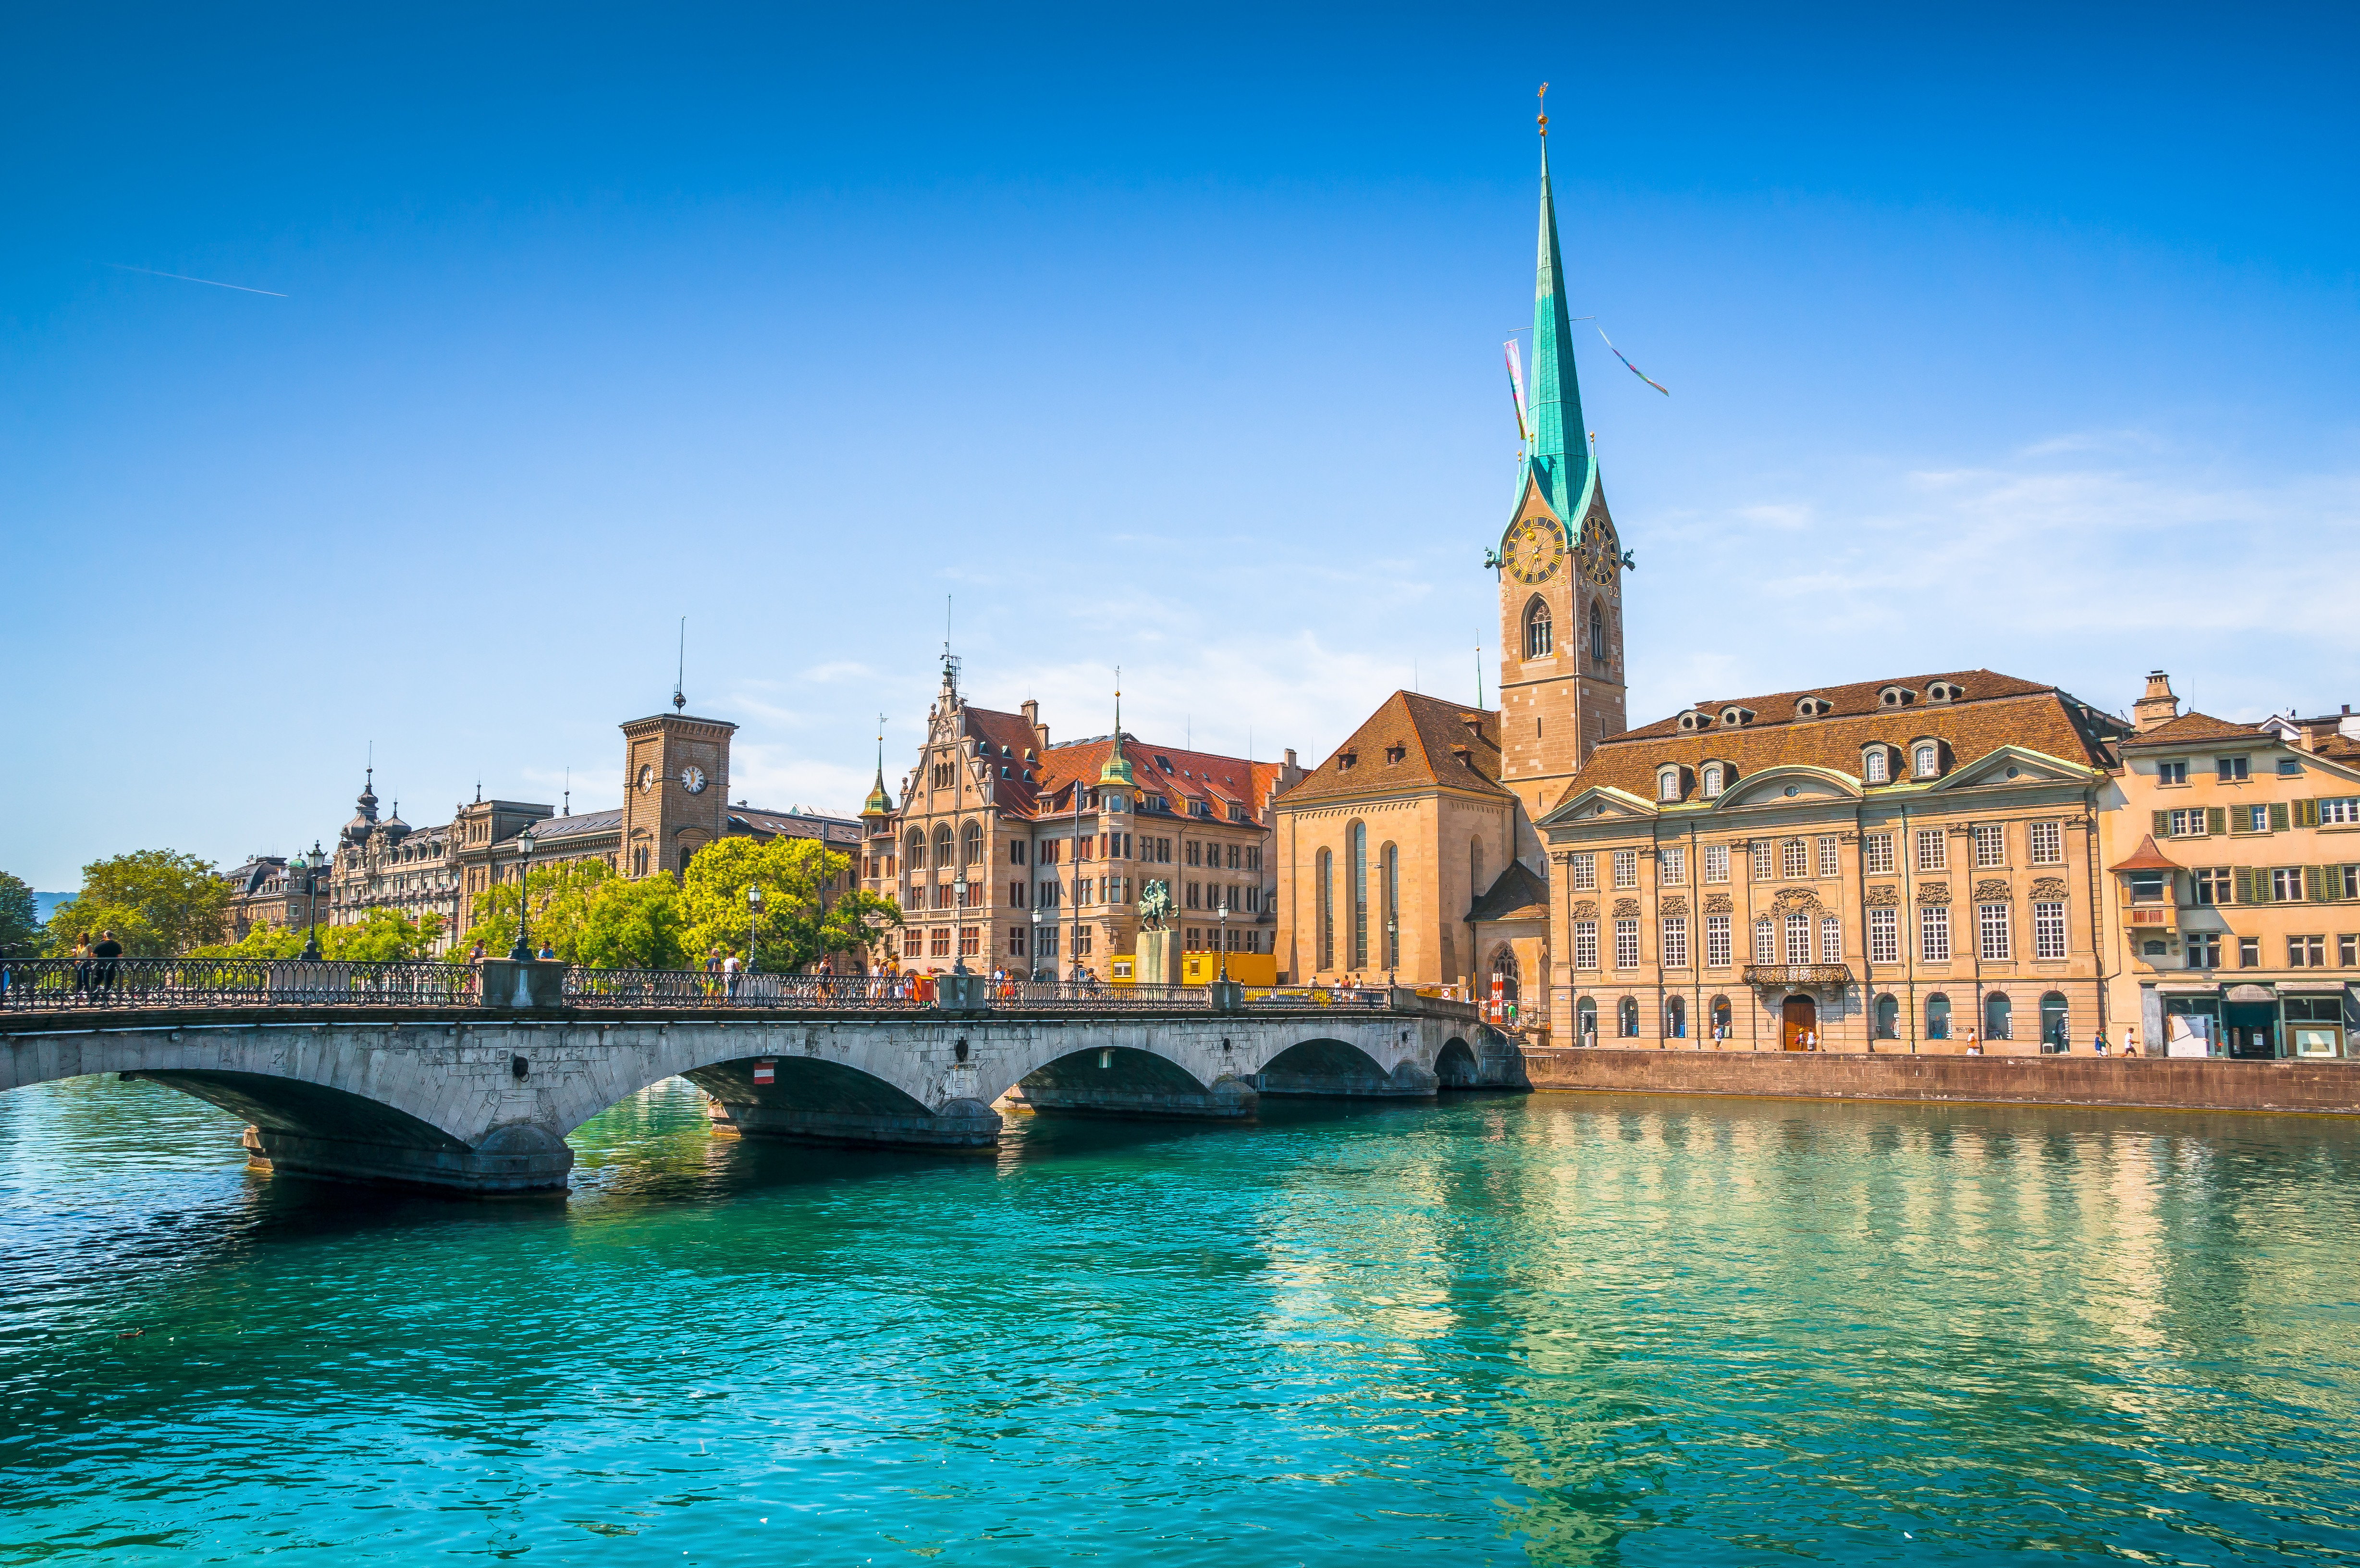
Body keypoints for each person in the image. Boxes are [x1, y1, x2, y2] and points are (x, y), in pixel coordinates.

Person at [91, 930, 123, 995]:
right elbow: (120, 956)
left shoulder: (100, 945)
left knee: (96, 982)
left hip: (100, 966)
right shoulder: (117, 945)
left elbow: (93, 955)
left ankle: (93, 998)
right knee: (109, 983)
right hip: (112, 966)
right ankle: (106, 998)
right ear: (112, 936)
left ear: (105, 936)